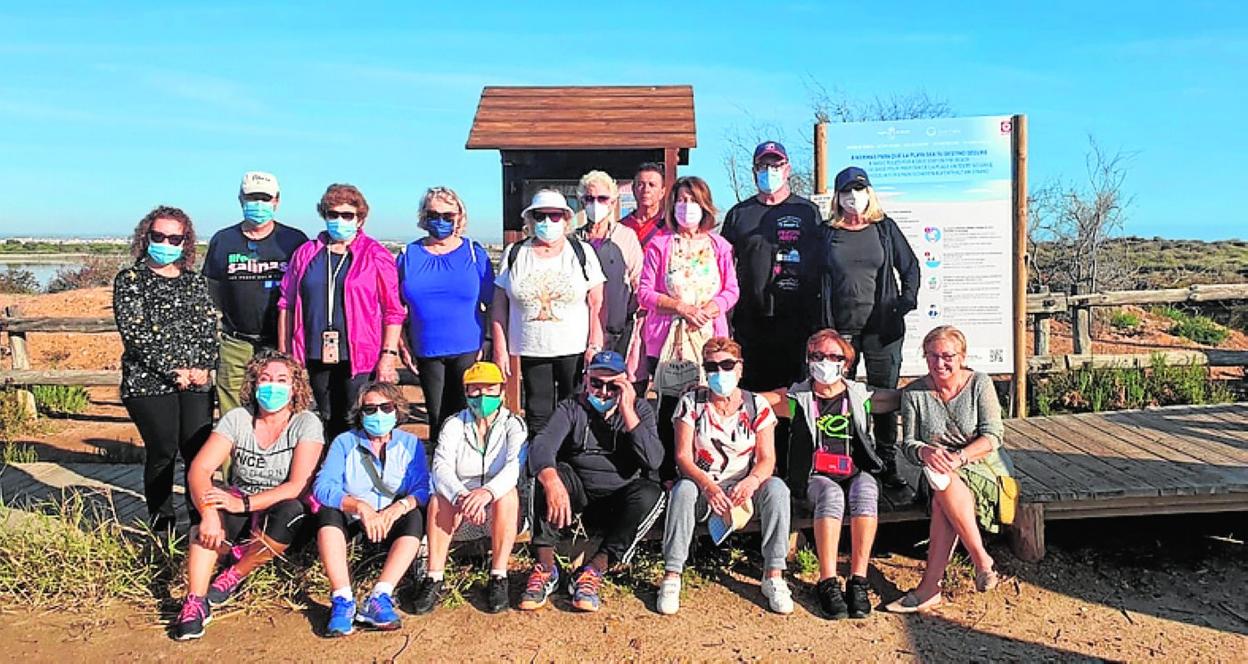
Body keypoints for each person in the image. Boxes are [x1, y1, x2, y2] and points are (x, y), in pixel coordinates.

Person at [172, 351, 323, 640]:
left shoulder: (306, 423)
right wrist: (209, 515)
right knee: (208, 515)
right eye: (265, 379)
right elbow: (200, 469)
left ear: (295, 387)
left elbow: (297, 486)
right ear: (253, 385)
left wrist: (242, 503)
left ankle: (235, 575)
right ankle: (195, 600)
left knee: (291, 510)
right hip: (240, 499)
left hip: (280, 511)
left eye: (282, 380)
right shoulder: (238, 419)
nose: (272, 386)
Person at [763, 329, 901, 620]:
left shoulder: (859, 395)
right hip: (816, 475)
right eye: (817, 356)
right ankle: (828, 581)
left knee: (866, 490)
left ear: (846, 363)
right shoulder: (796, 397)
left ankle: (858, 580)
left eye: (834, 356)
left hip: (854, 469)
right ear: (808, 359)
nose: (825, 362)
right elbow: (754, 400)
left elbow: (899, 398)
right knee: (831, 495)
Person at [520, 351, 664, 613]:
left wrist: (628, 412)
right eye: (597, 383)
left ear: (626, 384)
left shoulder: (641, 410)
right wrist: (551, 480)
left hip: (619, 497)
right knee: (544, 475)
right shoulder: (572, 407)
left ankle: (594, 570)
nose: (604, 392)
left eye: (613, 385)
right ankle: (545, 567)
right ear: (586, 381)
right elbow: (542, 445)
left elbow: (653, 460)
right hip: (577, 493)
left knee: (651, 494)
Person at [657, 337, 792, 616]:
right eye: (712, 367)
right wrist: (707, 486)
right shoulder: (691, 402)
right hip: (704, 486)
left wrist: (752, 481)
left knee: (777, 489)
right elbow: (682, 457)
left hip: (743, 487)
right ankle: (672, 575)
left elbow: (767, 458)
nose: (720, 373)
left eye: (727, 365)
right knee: (683, 491)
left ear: (740, 368)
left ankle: (774, 575)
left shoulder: (757, 405)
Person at [886, 326, 1013, 613]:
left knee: (943, 492)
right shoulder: (915, 393)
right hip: (935, 469)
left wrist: (960, 458)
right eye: (933, 356)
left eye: (947, 356)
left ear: (962, 356)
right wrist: (925, 451)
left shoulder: (980, 384)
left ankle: (931, 587)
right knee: (940, 479)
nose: (940, 363)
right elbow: (908, 443)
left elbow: (993, 436)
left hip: (981, 465)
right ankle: (980, 559)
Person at [812, 166, 921, 498]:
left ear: (869, 193)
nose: (852, 197)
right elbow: (813, 275)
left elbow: (911, 266)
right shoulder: (827, 232)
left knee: (884, 395)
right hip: (839, 331)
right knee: (838, 397)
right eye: (846, 191)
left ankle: (886, 462)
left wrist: (905, 302)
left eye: (859, 190)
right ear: (837, 196)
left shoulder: (884, 229)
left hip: (882, 331)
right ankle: (847, 457)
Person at [114, 205, 218, 533]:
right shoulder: (130, 280)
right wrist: (173, 371)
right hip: (149, 383)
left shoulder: (193, 282)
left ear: (185, 243)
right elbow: (136, 335)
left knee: (197, 452)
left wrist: (204, 366)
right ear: (145, 236)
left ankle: (202, 521)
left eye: (175, 238)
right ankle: (163, 526)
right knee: (163, 450)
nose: (166, 242)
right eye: (159, 236)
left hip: (196, 381)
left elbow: (208, 328)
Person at [278, 184, 405, 440]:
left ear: (360, 218)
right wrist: (285, 355)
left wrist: (388, 355)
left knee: (355, 419)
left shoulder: (375, 254)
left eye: (347, 215)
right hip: (312, 354)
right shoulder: (306, 254)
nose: (339, 220)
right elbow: (286, 304)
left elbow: (393, 310)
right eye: (332, 214)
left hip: (359, 357)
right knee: (320, 419)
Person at [635, 175, 739, 480]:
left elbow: (731, 289)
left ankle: (707, 470)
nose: (687, 207)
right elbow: (645, 292)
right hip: (667, 341)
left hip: (709, 339)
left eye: (693, 200)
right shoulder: (659, 245)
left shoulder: (719, 246)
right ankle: (668, 474)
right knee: (670, 408)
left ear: (705, 205)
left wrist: (709, 309)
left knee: (707, 405)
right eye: (681, 200)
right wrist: (680, 307)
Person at [313, 382, 430, 636]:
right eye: (370, 409)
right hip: (355, 523)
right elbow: (323, 486)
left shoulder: (411, 444)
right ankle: (342, 599)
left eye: (385, 407)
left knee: (414, 515)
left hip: (390, 524)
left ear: (397, 410)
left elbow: (422, 488)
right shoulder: (344, 443)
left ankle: (380, 596)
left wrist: (398, 508)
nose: (378, 414)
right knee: (328, 512)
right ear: (360, 413)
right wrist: (359, 506)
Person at [412, 361, 526, 615]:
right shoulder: (453, 424)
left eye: (489, 389)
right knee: (439, 499)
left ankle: (498, 576)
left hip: (498, 512)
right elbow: (441, 467)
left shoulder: (514, 425)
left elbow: (514, 468)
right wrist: (462, 496)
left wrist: (487, 493)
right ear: (466, 393)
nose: (482, 396)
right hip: (460, 511)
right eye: (475, 390)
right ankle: (434, 577)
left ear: (502, 391)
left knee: (507, 495)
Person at [492, 189, 607, 435]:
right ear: (531, 220)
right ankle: (541, 463)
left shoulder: (582, 252)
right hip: (531, 347)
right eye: (540, 216)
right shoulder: (515, 253)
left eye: (555, 216)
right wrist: (500, 348)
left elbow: (596, 302)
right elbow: (499, 304)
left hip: (573, 348)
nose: (547, 222)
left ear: (566, 219)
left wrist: (594, 344)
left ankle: (571, 461)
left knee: (574, 406)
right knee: (537, 409)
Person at [720, 141, 822, 394]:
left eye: (776, 164)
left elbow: (823, 262)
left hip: (797, 320)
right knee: (752, 395)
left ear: (787, 168)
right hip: (751, 321)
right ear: (754, 171)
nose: (770, 170)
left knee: (794, 396)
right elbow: (723, 265)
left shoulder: (807, 211)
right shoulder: (739, 214)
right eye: (763, 165)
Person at [202, 171, 308, 414]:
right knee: (233, 411)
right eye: (252, 198)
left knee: (280, 408)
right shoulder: (223, 240)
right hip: (236, 341)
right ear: (240, 199)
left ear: (277, 201)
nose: (258, 205)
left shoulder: (293, 240)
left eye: (265, 198)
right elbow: (212, 290)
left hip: (280, 341)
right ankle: (237, 453)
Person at [396, 186, 494, 436]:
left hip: (469, 347)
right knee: (437, 418)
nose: (440, 221)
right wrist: (401, 342)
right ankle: (440, 472)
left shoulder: (474, 253)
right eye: (433, 215)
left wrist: (490, 340)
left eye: (447, 216)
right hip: (427, 349)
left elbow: (493, 302)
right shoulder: (408, 255)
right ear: (423, 217)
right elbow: (394, 307)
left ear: (459, 217)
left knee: (468, 417)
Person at [575, 170, 643, 358]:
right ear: (582, 202)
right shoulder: (572, 241)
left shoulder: (626, 237)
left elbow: (638, 282)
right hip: (577, 335)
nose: (595, 204)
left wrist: (625, 321)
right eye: (589, 198)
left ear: (613, 202)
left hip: (617, 333)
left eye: (602, 198)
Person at [619, 162, 667, 249]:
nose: (646, 190)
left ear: (662, 192)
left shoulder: (669, 225)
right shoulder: (621, 227)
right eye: (640, 185)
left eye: (652, 185)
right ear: (633, 190)